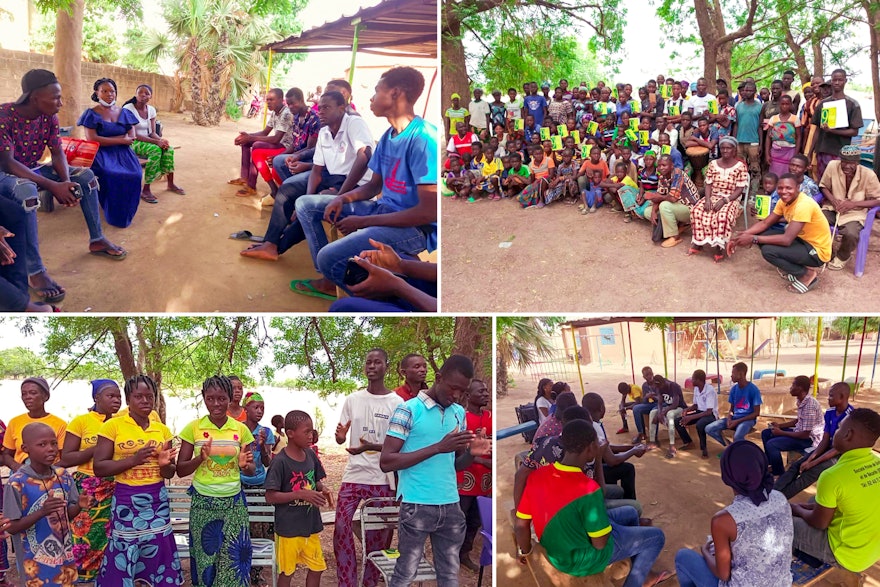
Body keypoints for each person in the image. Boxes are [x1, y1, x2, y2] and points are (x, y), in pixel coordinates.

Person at [292, 67, 435, 301]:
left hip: (415, 228)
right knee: (306, 204)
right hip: (384, 209)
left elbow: (427, 212)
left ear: (396, 93)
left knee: (329, 257)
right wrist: (341, 198)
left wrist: (364, 221)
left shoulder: (423, 139)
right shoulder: (389, 137)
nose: (371, 97)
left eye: (377, 91)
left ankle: (393, 299)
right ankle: (330, 278)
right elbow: (372, 187)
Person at [0, 69, 127, 305]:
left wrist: (66, 182)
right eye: (56, 97)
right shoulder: (4, 115)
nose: (61, 103)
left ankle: (97, 239)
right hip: (5, 175)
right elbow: (8, 162)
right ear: (34, 97)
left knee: (86, 176)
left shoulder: (49, 117)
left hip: (33, 168)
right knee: (27, 190)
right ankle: (35, 271)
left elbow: (57, 151)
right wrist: (51, 185)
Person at [514, 420, 671, 586]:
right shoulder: (588, 489)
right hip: (582, 560)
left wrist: (525, 552)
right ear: (590, 449)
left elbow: (521, 525)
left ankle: (639, 569)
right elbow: (600, 543)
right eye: (597, 443)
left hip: (559, 548)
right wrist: (609, 529)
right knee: (657, 537)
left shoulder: (538, 476)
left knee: (631, 513)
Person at [380, 354, 490, 587]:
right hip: (416, 505)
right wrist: (438, 447)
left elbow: (454, 465)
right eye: (453, 388)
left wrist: (472, 454)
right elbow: (386, 461)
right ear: (439, 378)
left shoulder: (458, 413)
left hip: (451, 506)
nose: (457, 396)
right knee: (405, 574)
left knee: (449, 576)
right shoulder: (408, 410)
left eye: (463, 391)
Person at [241, 91, 372, 265]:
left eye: (326, 107)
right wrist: (306, 195)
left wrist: (341, 195)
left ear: (342, 108)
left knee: (310, 207)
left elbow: (365, 156)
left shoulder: (354, 123)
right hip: (330, 176)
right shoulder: (325, 132)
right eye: (320, 108)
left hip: (354, 183)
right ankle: (270, 243)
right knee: (288, 189)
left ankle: (281, 249)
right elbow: (317, 171)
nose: (321, 112)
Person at [92, 374, 181, 586]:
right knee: (125, 546)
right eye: (138, 396)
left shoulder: (162, 430)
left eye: (149, 397)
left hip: (156, 500)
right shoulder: (113, 426)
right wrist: (134, 459)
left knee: (158, 545)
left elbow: (169, 473)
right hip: (126, 500)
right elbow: (99, 467)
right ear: (128, 399)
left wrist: (164, 464)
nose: (145, 401)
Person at [674, 440, 793, 587]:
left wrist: (704, 551)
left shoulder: (724, 520)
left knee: (683, 557)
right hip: (782, 583)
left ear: (727, 476)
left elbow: (723, 574)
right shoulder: (780, 498)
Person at [332, 349, 402, 587]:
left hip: (382, 478)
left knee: (377, 536)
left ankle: (370, 582)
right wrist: (341, 437)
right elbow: (341, 438)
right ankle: (347, 582)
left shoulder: (397, 403)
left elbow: (399, 445)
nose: (372, 366)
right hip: (354, 474)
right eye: (368, 362)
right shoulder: (353, 400)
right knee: (341, 527)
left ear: (386, 367)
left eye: (377, 362)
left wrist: (370, 447)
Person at [176, 376, 255, 587]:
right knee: (205, 561)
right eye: (210, 399)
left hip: (234, 505)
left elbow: (251, 467)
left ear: (230, 398)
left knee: (235, 560)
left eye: (221, 398)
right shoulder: (193, 428)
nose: (216, 404)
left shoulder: (241, 430)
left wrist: (243, 464)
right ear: (204, 399)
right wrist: (199, 458)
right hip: (203, 503)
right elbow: (180, 470)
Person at [790, 408, 880, 573]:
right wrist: (806, 509)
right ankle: (810, 550)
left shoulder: (832, 476)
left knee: (784, 524)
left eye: (839, 428)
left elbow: (820, 522)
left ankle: (808, 557)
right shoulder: (876, 462)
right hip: (872, 550)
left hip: (848, 555)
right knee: (814, 502)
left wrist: (795, 509)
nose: (835, 432)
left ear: (848, 435)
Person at [3, 422, 88, 587]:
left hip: (65, 560)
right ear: (25, 448)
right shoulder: (17, 483)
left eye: (54, 443)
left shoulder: (63, 476)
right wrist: (42, 512)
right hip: (34, 565)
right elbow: (11, 527)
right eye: (42, 444)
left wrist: (79, 505)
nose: (51, 448)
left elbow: (67, 515)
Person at [61, 379, 121, 582]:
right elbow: (66, 458)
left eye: (118, 396)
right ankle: (82, 578)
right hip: (88, 487)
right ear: (97, 398)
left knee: (112, 534)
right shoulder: (82, 422)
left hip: (117, 485)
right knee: (83, 535)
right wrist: (99, 448)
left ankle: (107, 578)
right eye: (110, 396)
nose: (116, 400)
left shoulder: (124, 421)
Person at [728, 174, 831, 294]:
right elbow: (766, 223)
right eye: (780, 188)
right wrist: (741, 237)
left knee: (768, 251)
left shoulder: (804, 205)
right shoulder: (784, 202)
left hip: (817, 251)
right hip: (802, 240)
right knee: (764, 233)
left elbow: (786, 239)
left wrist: (753, 239)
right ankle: (796, 268)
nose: (783, 191)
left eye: (788, 188)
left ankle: (807, 274)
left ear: (798, 187)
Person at [265, 410, 332, 587]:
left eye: (312, 431)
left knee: (317, 568)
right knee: (287, 572)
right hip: (288, 529)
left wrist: (322, 488)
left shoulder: (310, 455)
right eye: (307, 432)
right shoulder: (280, 461)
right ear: (290, 434)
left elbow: (314, 480)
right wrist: (300, 494)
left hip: (310, 526)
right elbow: (270, 496)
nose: (311, 436)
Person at [77, 78, 144, 228]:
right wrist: (121, 139)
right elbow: (92, 138)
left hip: (124, 153)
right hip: (102, 154)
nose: (109, 94)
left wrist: (110, 139)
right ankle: (111, 211)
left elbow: (132, 136)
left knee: (136, 174)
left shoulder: (124, 112)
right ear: (97, 93)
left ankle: (125, 212)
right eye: (104, 91)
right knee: (111, 174)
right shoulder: (91, 114)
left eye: (112, 91)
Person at [775, 381, 854, 498]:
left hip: (841, 454)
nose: (828, 398)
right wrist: (810, 458)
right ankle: (773, 492)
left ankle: (777, 499)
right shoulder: (830, 412)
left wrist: (813, 463)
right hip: (828, 448)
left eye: (831, 395)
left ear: (842, 397)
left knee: (808, 474)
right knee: (796, 466)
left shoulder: (850, 417)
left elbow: (838, 449)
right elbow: (825, 439)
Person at [818, 145, 880, 271]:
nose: (847, 166)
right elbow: (823, 186)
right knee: (817, 222)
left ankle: (842, 256)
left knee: (851, 234)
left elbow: (878, 199)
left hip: (855, 212)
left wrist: (853, 204)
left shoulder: (869, 175)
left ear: (857, 162)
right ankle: (826, 251)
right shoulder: (832, 166)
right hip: (833, 207)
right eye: (844, 162)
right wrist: (833, 200)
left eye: (851, 163)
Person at [689, 136, 748, 263]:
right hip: (713, 195)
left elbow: (739, 190)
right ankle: (699, 241)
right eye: (723, 148)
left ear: (734, 149)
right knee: (697, 211)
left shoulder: (740, 166)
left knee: (722, 216)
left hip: (731, 198)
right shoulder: (713, 164)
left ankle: (718, 247)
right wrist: (708, 199)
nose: (725, 150)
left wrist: (725, 201)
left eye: (728, 148)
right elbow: (708, 184)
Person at [122, 84, 184, 203]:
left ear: (150, 96)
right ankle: (145, 189)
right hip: (132, 142)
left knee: (168, 149)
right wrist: (156, 143)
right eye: (140, 92)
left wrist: (161, 140)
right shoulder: (128, 108)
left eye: (147, 93)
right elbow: (133, 134)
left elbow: (152, 133)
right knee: (155, 150)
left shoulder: (151, 110)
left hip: (148, 141)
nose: (143, 95)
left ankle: (170, 184)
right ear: (136, 94)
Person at [239, 391, 276, 586]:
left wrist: (262, 447)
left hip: (260, 483)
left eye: (262, 408)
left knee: (261, 528)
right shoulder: (237, 430)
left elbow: (268, 461)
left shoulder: (266, 432)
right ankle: (243, 568)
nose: (260, 411)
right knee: (244, 525)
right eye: (256, 407)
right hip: (240, 483)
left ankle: (257, 571)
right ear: (246, 409)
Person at [228, 88, 292, 197]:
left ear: (281, 99)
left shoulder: (286, 113)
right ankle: (245, 178)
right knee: (246, 142)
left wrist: (251, 138)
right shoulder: (275, 113)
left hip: (287, 147)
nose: (268, 102)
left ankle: (253, 186)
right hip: (278, 144)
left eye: (272, 100)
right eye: (267, 100)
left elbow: (276, 139)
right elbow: (264, 132)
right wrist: (246, 137)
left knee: (257, 146)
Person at [582, 393, 646, 501]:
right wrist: (634, 451)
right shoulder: (595, 427)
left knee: (613, 461)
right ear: (602, 408)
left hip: (586, 469)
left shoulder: (586, 422)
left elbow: (607, 448)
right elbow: (612, 460)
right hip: (591, 471)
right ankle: (630, 504)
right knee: (627, 469)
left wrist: (632, 447)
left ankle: (614, 497)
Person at [457, 379, 492, 572]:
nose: (486, 394)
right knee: (459, 519)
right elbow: (459, 451)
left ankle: (465, 554)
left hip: (484, 481)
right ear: (468, 396)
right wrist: (482, 461)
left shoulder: (490, 416)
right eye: (482, 391)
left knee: (475, 521)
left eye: (486, 391)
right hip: (465, 477)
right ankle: (451, 555)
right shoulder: (461, 417)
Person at [760, 375, 824, 477]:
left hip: (809, 440)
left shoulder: (810, 405)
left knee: (772, 444)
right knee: (766, 433)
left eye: (793, 385)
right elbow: (798, 420)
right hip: (800, 432)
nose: (791, 387)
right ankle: (772, 465)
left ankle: (779, 472)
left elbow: (805, 435)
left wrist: (781, 432)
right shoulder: (801, 400)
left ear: (800, 388)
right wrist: (779, 426)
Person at [266, 87, 321, 202]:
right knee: (278, 160)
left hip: (310, 159)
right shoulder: (295, 117)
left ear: (301, 100)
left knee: (284, 161)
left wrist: (294, 156)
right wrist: (281, 155)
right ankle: (294, 192)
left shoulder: (314, 118)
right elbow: (294, 144)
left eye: (293, 104)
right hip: (299, 154)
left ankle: (296, 193)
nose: (290, 107)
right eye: (288, 104)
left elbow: (310, 148)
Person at [1, 377, 67, 471]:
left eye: (33, 393)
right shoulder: (15, 422)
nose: (27, 397)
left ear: (45, 396)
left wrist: (48, 471)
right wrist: (17, 468)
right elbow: (6, 454)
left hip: (49, 471)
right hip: (20, 470)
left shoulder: (59, 424)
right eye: (24, 394)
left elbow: (64, 458)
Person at [809, 69, 863, 180]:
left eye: (840, 80)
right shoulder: (823, 103)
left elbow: (854, 131)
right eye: (834, 80)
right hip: (822, 150)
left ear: (845, 81)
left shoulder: (852, 104)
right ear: (831, 81)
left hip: (840, 152)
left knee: (839, 182)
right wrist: (810, 152)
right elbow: (817, 130)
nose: (837, 83)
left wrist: (832, 130)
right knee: (823, 182)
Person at [705, 363, 762, 449]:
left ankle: (744, 451)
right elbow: (732, 409)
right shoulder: (734, 389)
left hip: (747, 420)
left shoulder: (753, 389)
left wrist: (737, 421)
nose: (731, 376)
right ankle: (730, 447)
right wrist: (729, 419)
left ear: (741, 374)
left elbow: (756, 413)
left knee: (737, 437)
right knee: (709, 428)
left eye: (733, 373)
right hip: (734, 418)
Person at [648, 154, 699, 247]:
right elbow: (660, 194)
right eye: (659, 165)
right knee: (648, 211)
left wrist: (658, 197)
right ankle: (680, 226)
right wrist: (653, 211)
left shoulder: (678, 174)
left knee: (664, 206)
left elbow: (672, 198)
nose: (661, 168)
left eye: (664, 165)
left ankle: (675, 236)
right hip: (676, 206)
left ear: (671, 165)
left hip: (690, 209)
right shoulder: (662, 177)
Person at [675, 370, 718, 459]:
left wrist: (691, 417)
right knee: (678, 421)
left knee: (700, 424)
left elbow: (708, 411)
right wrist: (687, 410)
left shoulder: (709, 390)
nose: (692, 380)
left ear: (699, 380)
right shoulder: (696, 389)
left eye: (693, 379)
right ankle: (689, 443)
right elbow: (696, 405)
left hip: (710, 415)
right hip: (700, 412)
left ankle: (704, 449)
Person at [732, 81, 763, 195]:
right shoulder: (739, 106)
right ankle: (742, 192)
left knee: (755, 168)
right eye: (746, 90)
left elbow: (760, 127)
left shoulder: (759, 106)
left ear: (755, 92)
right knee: (740, 167)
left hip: (753, 142)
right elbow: (736, 124)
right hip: (739, 142)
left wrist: (760, 143)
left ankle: (754, 192)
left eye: (750, 90)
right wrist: (734, 141)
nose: (747, 92)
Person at [647, 375, 687, 458]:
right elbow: (660, 403)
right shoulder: (659, 387)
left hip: (680, 408)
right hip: (668, 408)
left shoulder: (674, 386)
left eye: (659, 386)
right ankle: (653, 441)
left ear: (663, 383)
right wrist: (659, 412)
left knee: (670, 414)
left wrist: (663, 412)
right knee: (652, 413)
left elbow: (675, 404)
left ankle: (672, 446)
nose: (658, 388)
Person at [763, 94, 801, 177]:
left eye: (787, 104)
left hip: (790, 151)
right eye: (782, 104)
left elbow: (798, 137)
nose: (784, 106)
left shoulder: (795, 119)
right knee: (774, 174)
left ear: (791, 105)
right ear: (779, 104)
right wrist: (767, 154)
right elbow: (768, 137)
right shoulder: (774, 118)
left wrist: (796, 154)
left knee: (788, 173)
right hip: (775, 151)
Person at [631, 367, 660, 444]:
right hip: (652, 404)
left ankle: (655, 438)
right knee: (636, 408)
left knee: (654, 411)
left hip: (661, 404)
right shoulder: (645, 385)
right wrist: (646, 397)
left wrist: (654, 397)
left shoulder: (658, 383)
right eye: (647, 375)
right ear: (644, 377)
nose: (650, 376)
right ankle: (641, 433)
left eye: (651, 374)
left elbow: (663, 399)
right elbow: (644, 402)